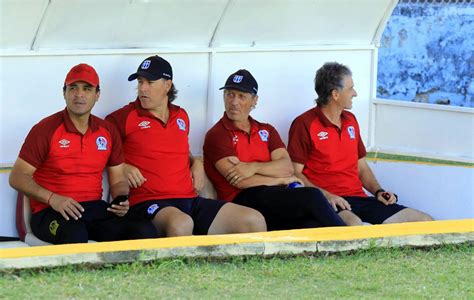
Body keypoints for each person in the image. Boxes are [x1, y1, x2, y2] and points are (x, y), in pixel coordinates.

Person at [106, 56, 266, 237]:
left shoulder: (181, 116)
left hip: (190, 199)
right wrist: (122, 167)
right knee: (181, 224)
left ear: (167, 85)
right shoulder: (121, 118)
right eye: (140, 82)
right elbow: (100, 154)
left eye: (150, 82)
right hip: (150, 202)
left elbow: (178, 149)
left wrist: (196, 162)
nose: (142, 88)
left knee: (253, 220)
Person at [9, 63, 158, 244]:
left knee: (144, 230)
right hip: (51, 211)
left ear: (97, 95)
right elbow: (17, 177)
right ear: (64, 93)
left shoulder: (108, 131)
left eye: (87, 89)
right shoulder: (45, 129)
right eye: (73, 88)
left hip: (93, 209)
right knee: (75, 235)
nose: (79, 94)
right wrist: (52, 199)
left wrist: (121, 199)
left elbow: (118, 180)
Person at [288, 62, 434, 225]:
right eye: (351, 88)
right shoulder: (304, 123)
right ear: (335, 94)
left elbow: (361, 167)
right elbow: (295, 173)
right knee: (356, 226)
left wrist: (378, 191)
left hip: (360, 199)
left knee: (423, 220)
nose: (355, 93)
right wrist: (326, 196)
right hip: (329, 202)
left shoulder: (351, 121)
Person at [203, 69, 346, 231]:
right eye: (229, 94)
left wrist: (253, 167)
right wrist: (280, 179)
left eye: (241, 96)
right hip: (241, 199)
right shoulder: (217, 134)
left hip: (272, 197)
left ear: (254, 100)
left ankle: (346, 247)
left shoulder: (267, 130)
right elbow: (241, 181)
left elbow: (287, 167)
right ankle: (351, 242)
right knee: (312, 195)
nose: (234, 102)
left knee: (310, 224)